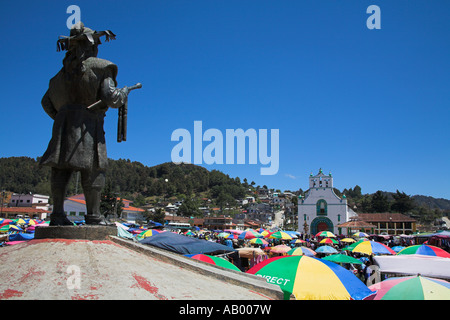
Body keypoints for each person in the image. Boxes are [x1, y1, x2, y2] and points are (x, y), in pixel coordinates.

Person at [40, 22, 128, 225]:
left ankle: (58, 215)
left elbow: (46, 103)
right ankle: (93, 216)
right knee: (94, 169)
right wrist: (123, 93)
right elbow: (111, 98)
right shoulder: (101, 67)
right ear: (91, 46)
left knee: (60, 169)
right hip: (90, 124)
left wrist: (62, 117)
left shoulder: (56, 79)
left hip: (62, 126)